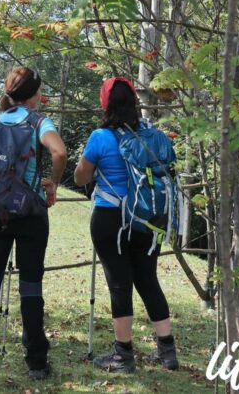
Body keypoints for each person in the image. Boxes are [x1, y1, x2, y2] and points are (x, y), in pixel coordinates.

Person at [0, 67, 67, 381]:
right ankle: (36, 362)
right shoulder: (38, 121)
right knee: (30, 286)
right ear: (34, 94)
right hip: (30, 215)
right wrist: (52, 184)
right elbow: (59, 152)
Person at [74, 77, 179, 373]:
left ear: (104, 104)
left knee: (120, 284)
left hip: (111, 219)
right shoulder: (150, 135)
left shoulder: (100, 138)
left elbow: (80, 178)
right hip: (147, 217)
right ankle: (167, 351)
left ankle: (123, 355)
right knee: (148, 280)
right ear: (134, 102)